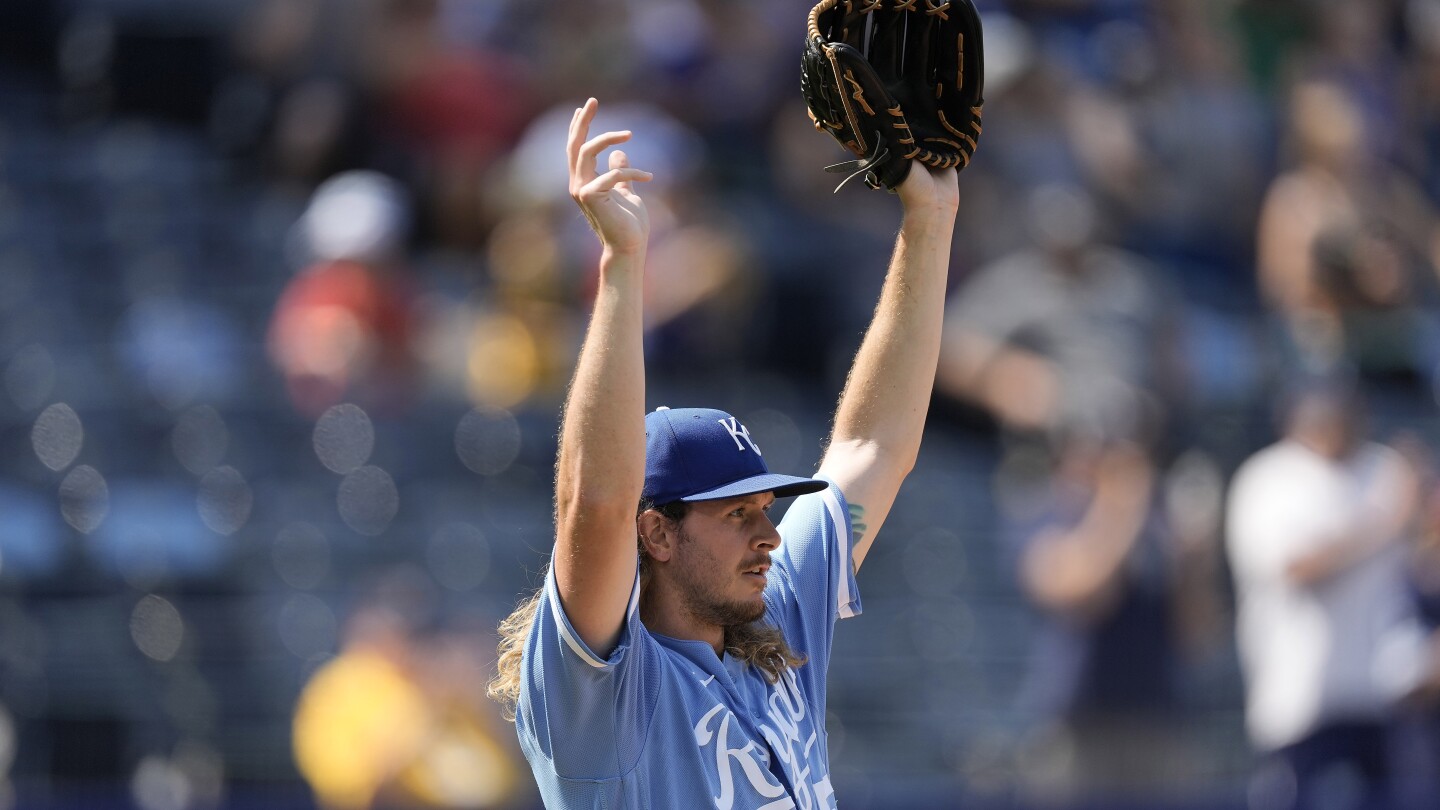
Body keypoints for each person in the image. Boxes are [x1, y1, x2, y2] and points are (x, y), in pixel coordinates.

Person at [486, 98, 960, 808]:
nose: (768, 534)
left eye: (765, 509)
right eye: (737, 513)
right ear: (656, 531)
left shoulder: (773, 617)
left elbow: (874, 445)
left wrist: (930, 222)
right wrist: (624, 267)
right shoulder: (602, 696)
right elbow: (596, 502)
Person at [1226, 380, 1422, 810]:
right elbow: (1297, 569)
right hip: (1298, 700)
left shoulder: (1381, 467)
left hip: (1379, 693)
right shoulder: (1269, 477)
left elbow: (1417, 563)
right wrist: (1384, 524)